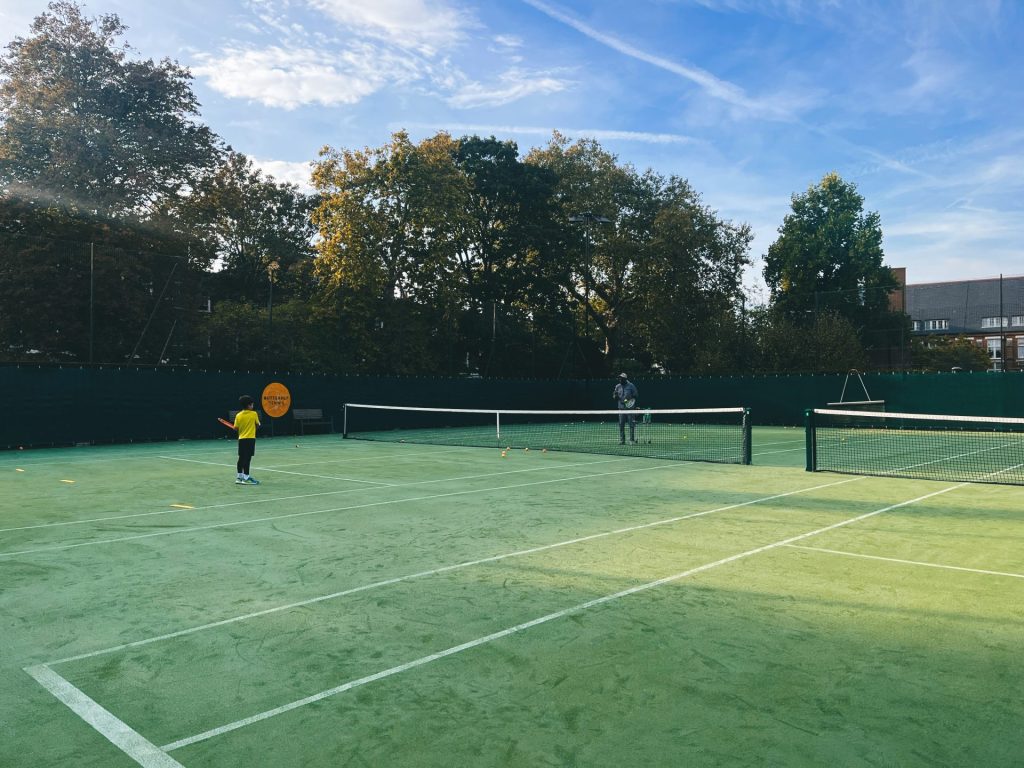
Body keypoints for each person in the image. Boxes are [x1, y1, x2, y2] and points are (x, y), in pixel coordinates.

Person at [233, 395, 261, 485]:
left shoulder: (238, 415)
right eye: (252, 404)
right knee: (247, 459)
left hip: (241, 439)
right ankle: (246, 477)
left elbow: (236, 428)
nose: (253, 406)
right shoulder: (254, 414)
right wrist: (253, 429)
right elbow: (258, 425)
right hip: (250, 439)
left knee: (241, 458)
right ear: (249, 405)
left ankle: (239, 477)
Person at [612, 372, 638, 444]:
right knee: (621, 424)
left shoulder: (631, 385)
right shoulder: (617, 386)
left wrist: (629, 400)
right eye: (619, 378)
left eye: (621, 378)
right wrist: (615, 396)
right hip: (621, 408)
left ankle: (631, 440)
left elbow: (636, 395)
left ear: (625, 379)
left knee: (631, 424)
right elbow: (614, 397)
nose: (620, 379)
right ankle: (622, 440)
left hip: (630, 408)